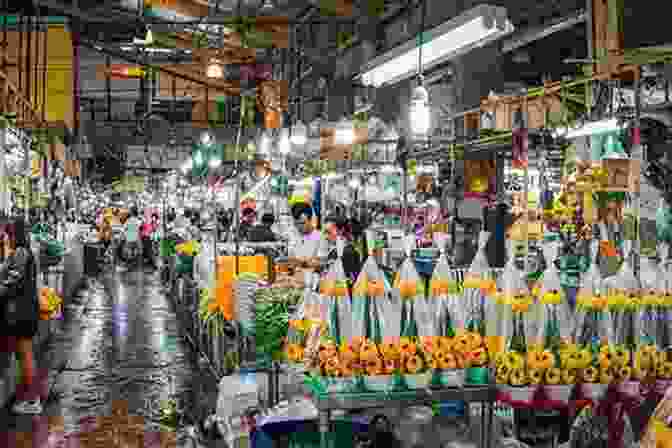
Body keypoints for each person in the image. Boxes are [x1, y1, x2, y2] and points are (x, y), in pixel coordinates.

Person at [0, 220, 41, 414]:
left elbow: (12, 281)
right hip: (26, 311)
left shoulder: (21, 253)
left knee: (25, 356)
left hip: (22, 313)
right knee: (24, 355)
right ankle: (29, 396)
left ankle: (33, 401)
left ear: (14, 235)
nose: (5, 238)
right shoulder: (21, 253)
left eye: (8, 234)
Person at [323, 215, 362, 283]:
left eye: (328, 232)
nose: (325, 237)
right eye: (325, 232)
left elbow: (351, 283)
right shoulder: (334, 251)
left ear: (340, 231)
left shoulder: (348, 253)